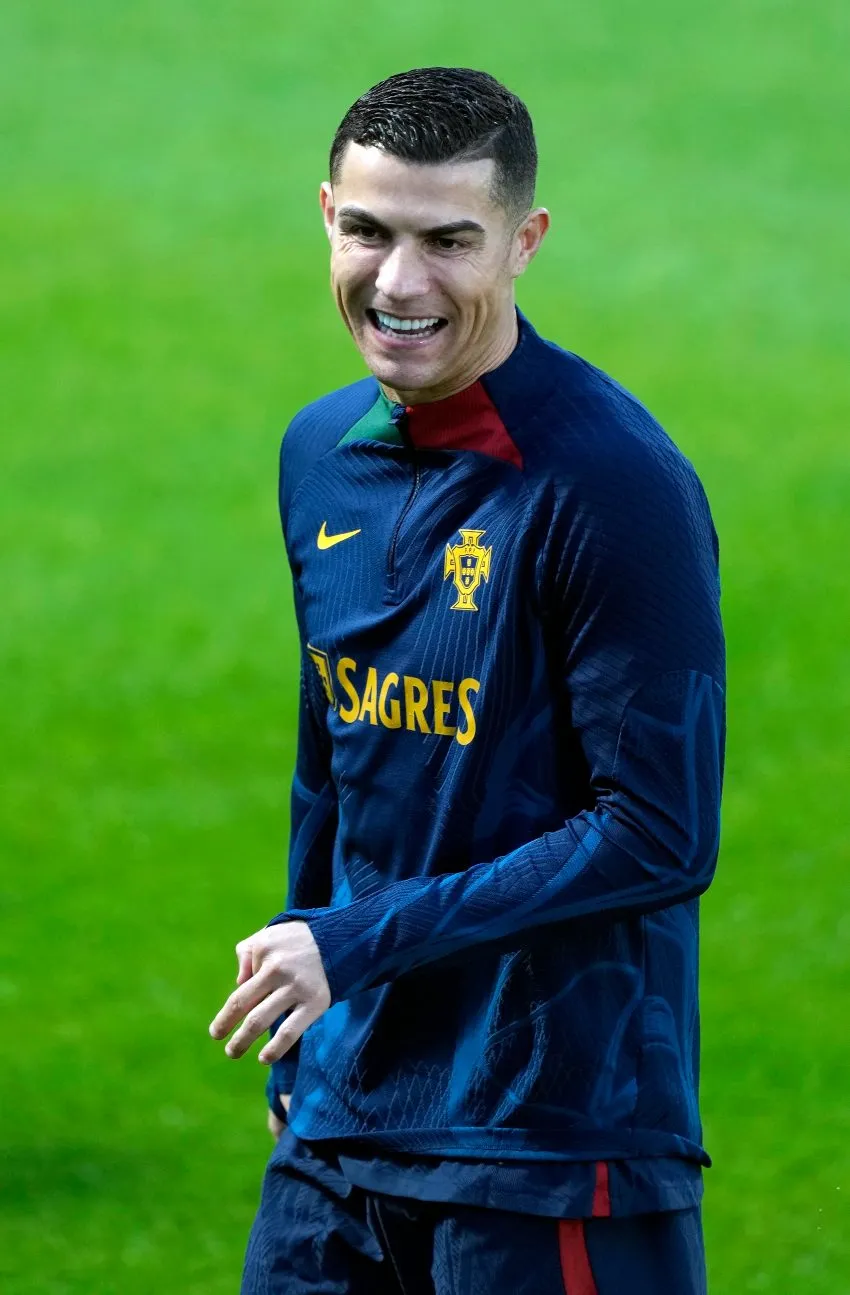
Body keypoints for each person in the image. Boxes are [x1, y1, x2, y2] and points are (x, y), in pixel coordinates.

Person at [209, 66, 725, 1295]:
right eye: (367, 231)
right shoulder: (318, 455)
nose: (398, 284)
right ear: (323, 212)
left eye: (449, 241)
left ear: (523, 241)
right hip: (344, 1115)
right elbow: (332, 758)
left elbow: (658, 831)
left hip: (547, 1136)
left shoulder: (611, 486)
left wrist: (354, 940)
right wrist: (305, 1032)